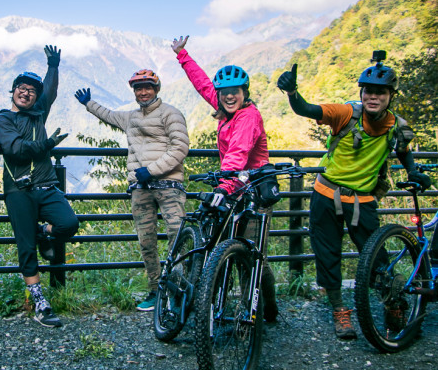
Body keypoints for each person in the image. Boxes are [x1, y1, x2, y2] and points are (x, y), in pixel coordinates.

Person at [277, 54, 432, 339]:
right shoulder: (346, 114)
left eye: (380, 92)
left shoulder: (396, 125)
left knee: (377, 258)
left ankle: (392, 303)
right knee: (328, 255)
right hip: (326, 195)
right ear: (361, 93)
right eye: (368, 91)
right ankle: (339, 311)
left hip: (363, 200)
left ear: (390, 96)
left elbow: (403, 151)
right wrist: (291, 92)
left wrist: (413, 172)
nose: (373, 97)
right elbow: (307, 109)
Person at [172, 35, 279, 321]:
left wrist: (224, 186)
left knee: (251, 256)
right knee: (224, 247)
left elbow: (237, 155)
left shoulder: (248, 117)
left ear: (245, 92)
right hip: (233, 189)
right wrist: (182, 55)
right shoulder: (224, 107)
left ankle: (255, 313)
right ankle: (215, 302)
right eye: (224, 92)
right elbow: (204, 85)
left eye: (235, 90)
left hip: (253, 191)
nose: (229, 95)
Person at [74, 70, 189, 311]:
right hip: (140, 188)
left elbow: (180, 147)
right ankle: (155, 290)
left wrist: (153, 169)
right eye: (138, 88)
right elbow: (109, 116)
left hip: (168, 185)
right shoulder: (131, 118)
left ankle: (179, 293)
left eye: (147, 87)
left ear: (156, 89)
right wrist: (88, 104)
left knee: (177, 238)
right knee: (146, 242)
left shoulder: (171, 113)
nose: (143, 92)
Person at [0, 45, 80, 328]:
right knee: (26, 247)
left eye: (32, 89)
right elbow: (16, 150)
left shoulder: (39, 112)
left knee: (68, 224)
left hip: (47, 185)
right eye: (22, 88)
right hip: (19, 189)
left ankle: (43, 231)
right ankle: (39, 299)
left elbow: (50, 91)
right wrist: (47, 144)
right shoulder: (4, 119)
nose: (27, 92)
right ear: (13, 91)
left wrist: (53, 65)